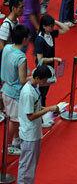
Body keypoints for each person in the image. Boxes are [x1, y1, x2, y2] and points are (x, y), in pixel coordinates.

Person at [17, 64, 60, 183]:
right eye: (45, 80)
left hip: (34, 132)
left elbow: (36, 107)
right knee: (26, 165)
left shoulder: (34, 86)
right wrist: (48, 109)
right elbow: (30, 116)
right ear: (39, 78)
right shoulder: (28, 93)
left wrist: (47, 109)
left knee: (31, 165)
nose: (46, 82)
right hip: (29, 134)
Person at [34, 14, 69, 127]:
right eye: (50, 26)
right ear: (44, 26)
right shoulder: (39, 40)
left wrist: (55, 21)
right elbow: (40, 60)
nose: (52, 27)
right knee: (41, 95)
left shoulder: (51, 34)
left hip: (50, 69)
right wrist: (53, 59)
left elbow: (66, 29)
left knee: (44, 94)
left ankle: (42, 117)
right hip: (43, 71)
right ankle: (41, 119)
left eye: (52, 25)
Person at [0, 24, 29, 156]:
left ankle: (15, 140)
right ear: (24, 39)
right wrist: (34, 77)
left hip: (5, 89)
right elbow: (23, 80)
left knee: (14, 119)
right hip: (14, 93)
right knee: (14, 120)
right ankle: (7, 146)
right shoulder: (21, 57)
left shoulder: (6, 48)